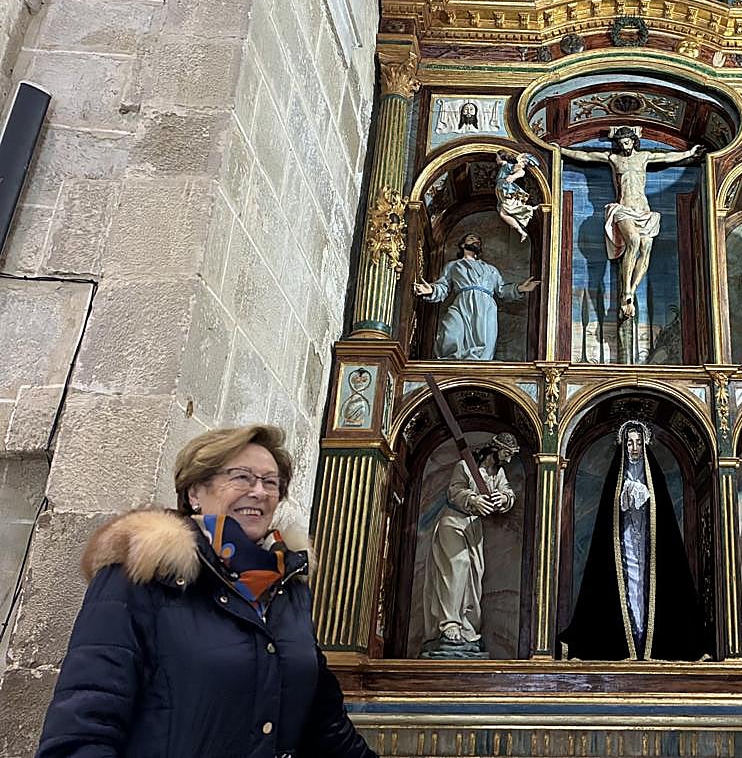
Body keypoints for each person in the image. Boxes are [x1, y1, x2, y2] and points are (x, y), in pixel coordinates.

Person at [36, 424, 376, 758]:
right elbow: (85, 721)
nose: (259, 492)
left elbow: (325, 722)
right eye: (241, 477)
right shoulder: (142, 573)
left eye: (271, 482)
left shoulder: (286, 586)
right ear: (195, 492)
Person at [558, 420, 710, 661]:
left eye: (638, 442)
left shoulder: (654, 476)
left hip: (649, 549)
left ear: (645, 443)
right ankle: (625, 644)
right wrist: (624, 500)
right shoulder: (616, 477)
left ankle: (654, 645)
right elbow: (609, 518)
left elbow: (663, 521)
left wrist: (646, 500)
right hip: (625, 543)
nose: (634, 447)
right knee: (627, 586)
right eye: (629, 442)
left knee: (649, 588)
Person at [559, 127, 703, 319]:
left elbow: (668, 158)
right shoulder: (614, 159)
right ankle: (626, 290)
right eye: (620, 143)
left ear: (633, 141)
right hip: (623, 209)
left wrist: (690, 153)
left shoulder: (644, 157)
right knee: (633, 241)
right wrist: (559, 150)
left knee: (646, 248)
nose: (623, 146)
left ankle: (631, 291)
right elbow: (585, 156)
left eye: (626, 142)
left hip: (644, 211)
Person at [423, 433, 518, 654]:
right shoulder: (465, 467)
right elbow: (453, 491)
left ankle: (465, 625)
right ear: (495, 450)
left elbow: (508, 493)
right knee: (458, 565)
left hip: (474, 528)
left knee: (473, 576)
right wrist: (472, 499)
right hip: (453, 521)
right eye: (507, 454)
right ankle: (449, 624)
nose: (509, 460)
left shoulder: (498, 473)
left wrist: (503, 499)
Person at [413, 233, 541, 360]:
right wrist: (431, 289)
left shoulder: (490, 269)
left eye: (478, 240)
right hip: (462, 303)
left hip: (486, 307)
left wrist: (520, 288)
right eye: (471, 239)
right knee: (450, 330)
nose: (476, 241)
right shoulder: (454, 266)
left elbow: (502, 290)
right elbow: (444, 286)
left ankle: (477, 366)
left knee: (483, 340)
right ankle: (450, 363)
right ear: (463, 245)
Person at [495, 152, 538, 242]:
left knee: (504, 213)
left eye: (497, 156)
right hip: (502, 192)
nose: (496, 159)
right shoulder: (503, 167)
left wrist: (513, 176)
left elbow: (521, 172)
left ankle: (529, 211)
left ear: (502, 157)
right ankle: (522, 230)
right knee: (504, 213)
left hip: (507, 191)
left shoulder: (507, 166)